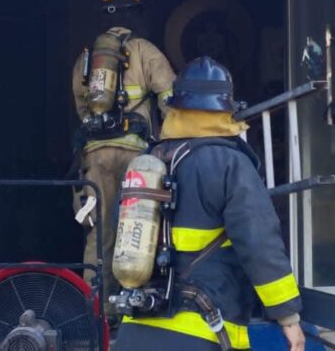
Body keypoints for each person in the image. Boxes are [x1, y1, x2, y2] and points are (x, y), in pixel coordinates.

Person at [113, 56, 304, 351]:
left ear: (175, 109)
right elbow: (260, 244)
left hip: (135, 328)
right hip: (202, 331)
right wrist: (288, 318)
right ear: (226, 109)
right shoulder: (230, 163)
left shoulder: (147, 164)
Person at [71, 0, 176, 296]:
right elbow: (169, 97)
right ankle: (135, 300)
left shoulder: (87, 58)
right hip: (137, 158)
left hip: (96, 157)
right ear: (136, 16)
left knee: (99, 230)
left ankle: (96, 305)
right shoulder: (145, 50)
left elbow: (81, 108)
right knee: (140, 225)